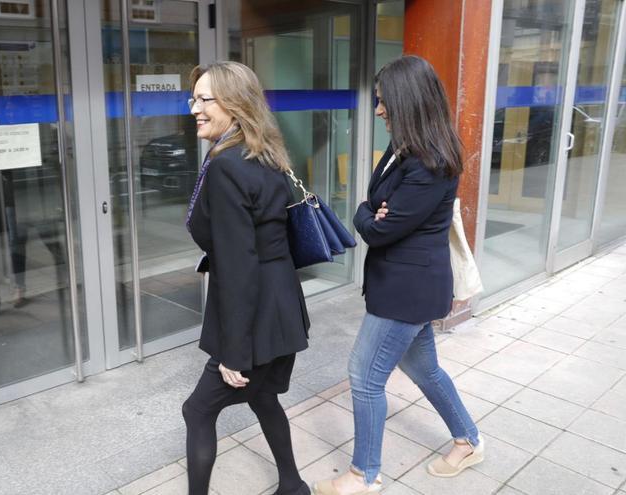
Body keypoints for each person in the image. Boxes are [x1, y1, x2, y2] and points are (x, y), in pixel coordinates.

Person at [312, 55, 484, 495]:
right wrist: (369, 212)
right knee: (426, 371)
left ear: (407, 101)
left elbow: (381, 228)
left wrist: (367, 217)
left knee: (365, 377)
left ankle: (363, 475)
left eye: (384, 101)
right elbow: (373, 206)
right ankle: (469, 441)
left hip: (406, 292)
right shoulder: (405, 148)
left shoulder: (428, 162)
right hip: (405, 285)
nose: (378, 109)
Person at [181, 61, 311, 495]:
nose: (193, 107)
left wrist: (233, 352)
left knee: (198, 411)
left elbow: (238, 264)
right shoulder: (266, 154)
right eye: (193, 98)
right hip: (280, 305)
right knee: (262, 396)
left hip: (254, 315)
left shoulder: (226, 166)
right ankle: (293, 485)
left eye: (204, 99)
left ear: (235, 104)